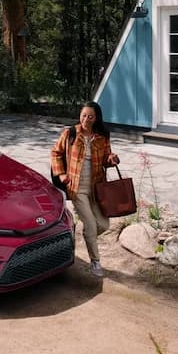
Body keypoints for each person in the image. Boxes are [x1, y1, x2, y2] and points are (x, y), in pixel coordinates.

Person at [50, 101, 120, 277]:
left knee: (103, 225)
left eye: (90, 116)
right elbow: (55, 153)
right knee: (90, 225)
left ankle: (85, 233)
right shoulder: (70, 133)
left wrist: (112, 159)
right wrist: (61, 175)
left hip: (97, 188)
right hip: (77, 188)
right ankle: (95, 262)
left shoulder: (102, 136)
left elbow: (106, 158)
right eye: (83, 115)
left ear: (96, 118)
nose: (86, 119)